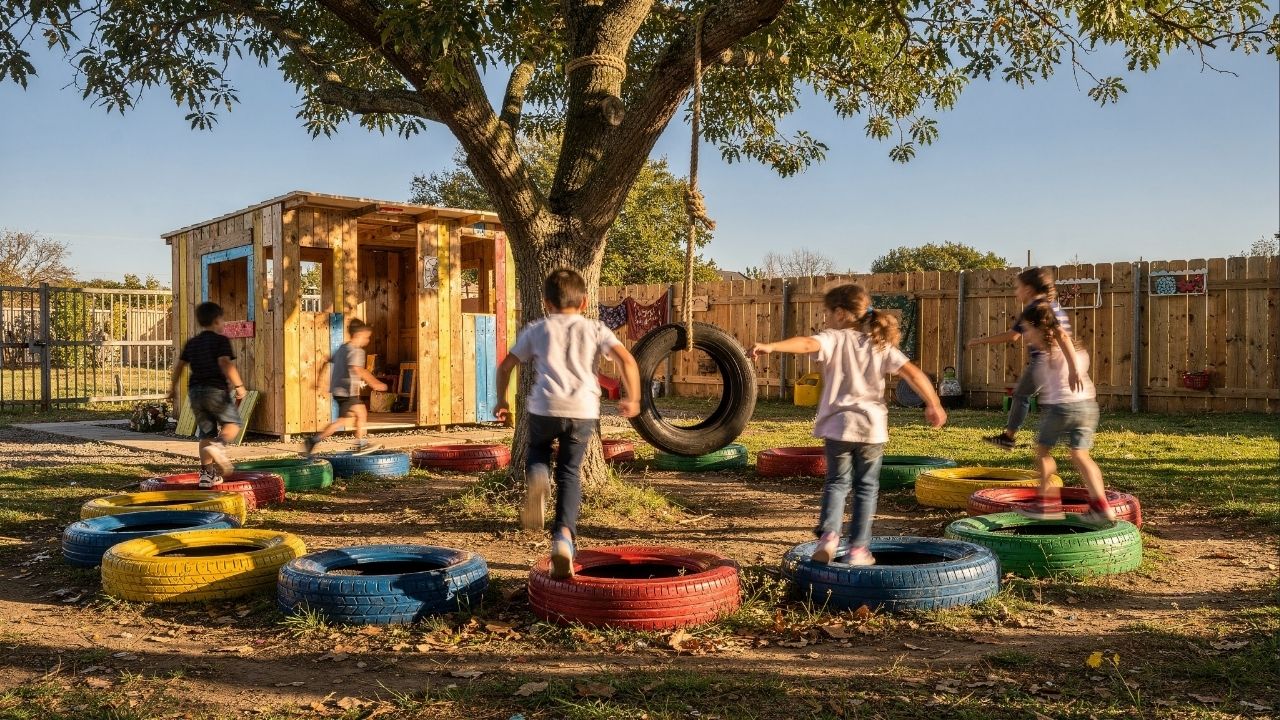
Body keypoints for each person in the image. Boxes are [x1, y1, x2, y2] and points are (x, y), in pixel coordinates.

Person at [750, 284, 947, 566]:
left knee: (837, 483)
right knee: (866, 487)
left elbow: (806, 344)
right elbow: (913, 374)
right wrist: (934, 403)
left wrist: (771, 346)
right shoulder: (880, 345)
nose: (826, 319)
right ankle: (858, 550)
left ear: (840, 313)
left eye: (827, 313)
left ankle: (829, 537)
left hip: (838, 427)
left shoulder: (834, 338)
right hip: (871, 429)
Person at [495, 269, 641, 579]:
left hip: (544, 407)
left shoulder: (537, 329)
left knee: (537, 451)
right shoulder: (596, 329)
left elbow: (506, 366)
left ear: (546, 303)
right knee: (570, 473)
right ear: (585, 302)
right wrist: (633, 398)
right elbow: (627, 360)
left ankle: (538, 478)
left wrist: (501, 401)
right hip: (582, 410)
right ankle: (563, 538)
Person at [1013, 303, 1115, 527]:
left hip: (1062, 408)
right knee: (1080, 455)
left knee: (1042, 451)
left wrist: (1073, 370)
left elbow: (1061, 335)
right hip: (1088, 408)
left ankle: (1047, 505)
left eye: (1028, 330)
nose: (1026, 337)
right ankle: (1101, 506)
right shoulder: (1078, 351)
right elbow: (1062, 337)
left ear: (1041, 328)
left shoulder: (1051, 353)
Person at [966, 267, 1080, 450]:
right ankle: (1069, 435)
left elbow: (1059, 336)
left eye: (1017, 287)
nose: (1015, 292)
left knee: (1022, 394)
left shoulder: (1036, 309)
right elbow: (1014, 335)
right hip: (1059, 360)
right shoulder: (1050, 305)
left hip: (1046, 360)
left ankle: (1009, 437)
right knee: (1053, 398)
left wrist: (980, 341)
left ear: (1028, 289)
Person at [167, 301, 245, 488]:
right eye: (223, 320)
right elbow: (225, 363)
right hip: (215, 390)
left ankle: (206, 475)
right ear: (217, 320)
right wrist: (239, 386)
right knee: (233, 424)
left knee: (205, 434)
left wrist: (172, 388)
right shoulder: (220, 341)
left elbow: (179, 366)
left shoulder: (192, 343)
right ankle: (219, 445)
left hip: (195, 393)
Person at [305, 319, 388, 455]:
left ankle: (314, 440)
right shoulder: (356, 351)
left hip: (338, 392)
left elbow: (326, 362)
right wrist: (375, 383)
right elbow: (358, 369)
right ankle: (361, 445)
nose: (367, 340)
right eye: (366, 337)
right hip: (347, 392)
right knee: (360, 414)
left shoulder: (342, 348)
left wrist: (319, 381)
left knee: (343, 420)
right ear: (358, 335)